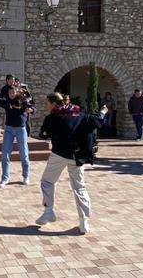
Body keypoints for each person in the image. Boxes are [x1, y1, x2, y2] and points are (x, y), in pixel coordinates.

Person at [36, 92, 107, 234]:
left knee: (47, 182)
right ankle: (84, 222)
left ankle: (49, 211)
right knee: (79, 188)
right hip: (77, 156)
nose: (46, 106)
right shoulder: (79, 114)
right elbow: (97, 120)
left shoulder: (52, 118)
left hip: (59, 154)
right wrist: (103, 111)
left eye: (47, 103)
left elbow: (42, 135)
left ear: (54, 103)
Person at [0, 86, 36, 187]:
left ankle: (26, 176)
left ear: (17, 92)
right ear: (8, 93)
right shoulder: (6, 101)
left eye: (13, 92)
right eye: (10, 93)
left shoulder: (22, 101)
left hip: (20, 129)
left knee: (24, 154)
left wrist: (31, 110)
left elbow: (34, 108)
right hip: (8, 129)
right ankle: (5, 178)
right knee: (5, 154)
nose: (12, 94)